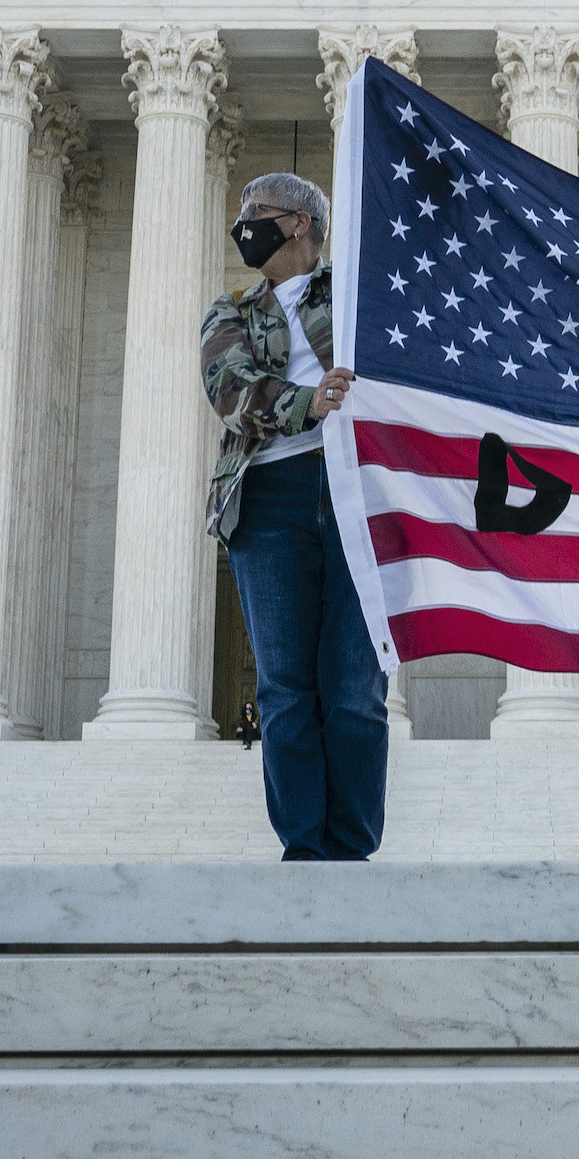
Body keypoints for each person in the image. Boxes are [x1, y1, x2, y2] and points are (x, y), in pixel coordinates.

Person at [200, 172, 384, 861]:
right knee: (284, 684)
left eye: (256, 213)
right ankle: (303, 850)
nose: (244, 225)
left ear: (299, 222)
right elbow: (227, 390)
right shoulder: (232, 312)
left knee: (354, 685)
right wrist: (305, 402)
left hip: (357, 493)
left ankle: (351, 848)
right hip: (269, 496)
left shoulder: (364, 296)